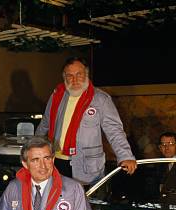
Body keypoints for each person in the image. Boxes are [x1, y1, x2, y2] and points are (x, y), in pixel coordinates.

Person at [35, 56, 137, 185]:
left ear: (87, 74)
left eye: (79, 74)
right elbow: (45, 123)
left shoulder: (101, 99)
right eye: (69, 76)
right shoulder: (57, 95)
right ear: (64, 77)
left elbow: (114, 130)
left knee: (85, 203)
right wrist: (34, 147)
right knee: (58, 202)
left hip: (85, 167)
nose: (75, 80)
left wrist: (126, 156)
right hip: (56, 162)